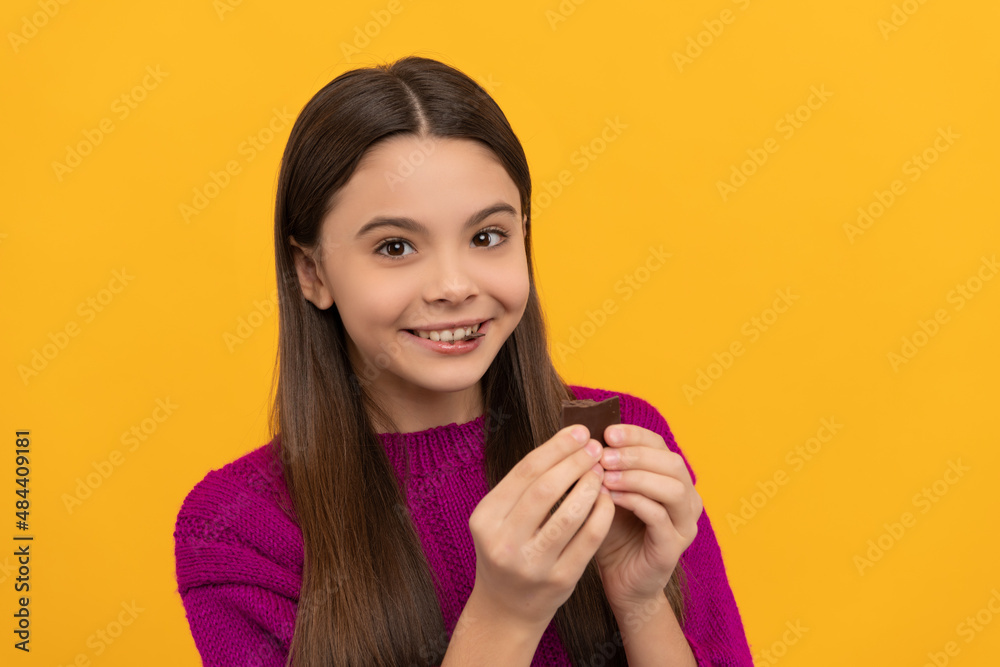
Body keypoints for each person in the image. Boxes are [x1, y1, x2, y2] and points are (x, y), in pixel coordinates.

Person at [173, 55, 754, 666]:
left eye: (487, 237)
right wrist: (505, 616)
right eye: (395, 247)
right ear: (312, 273)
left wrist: (638, 601)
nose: (453, 285)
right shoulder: (235, 528)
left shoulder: (625, 444)